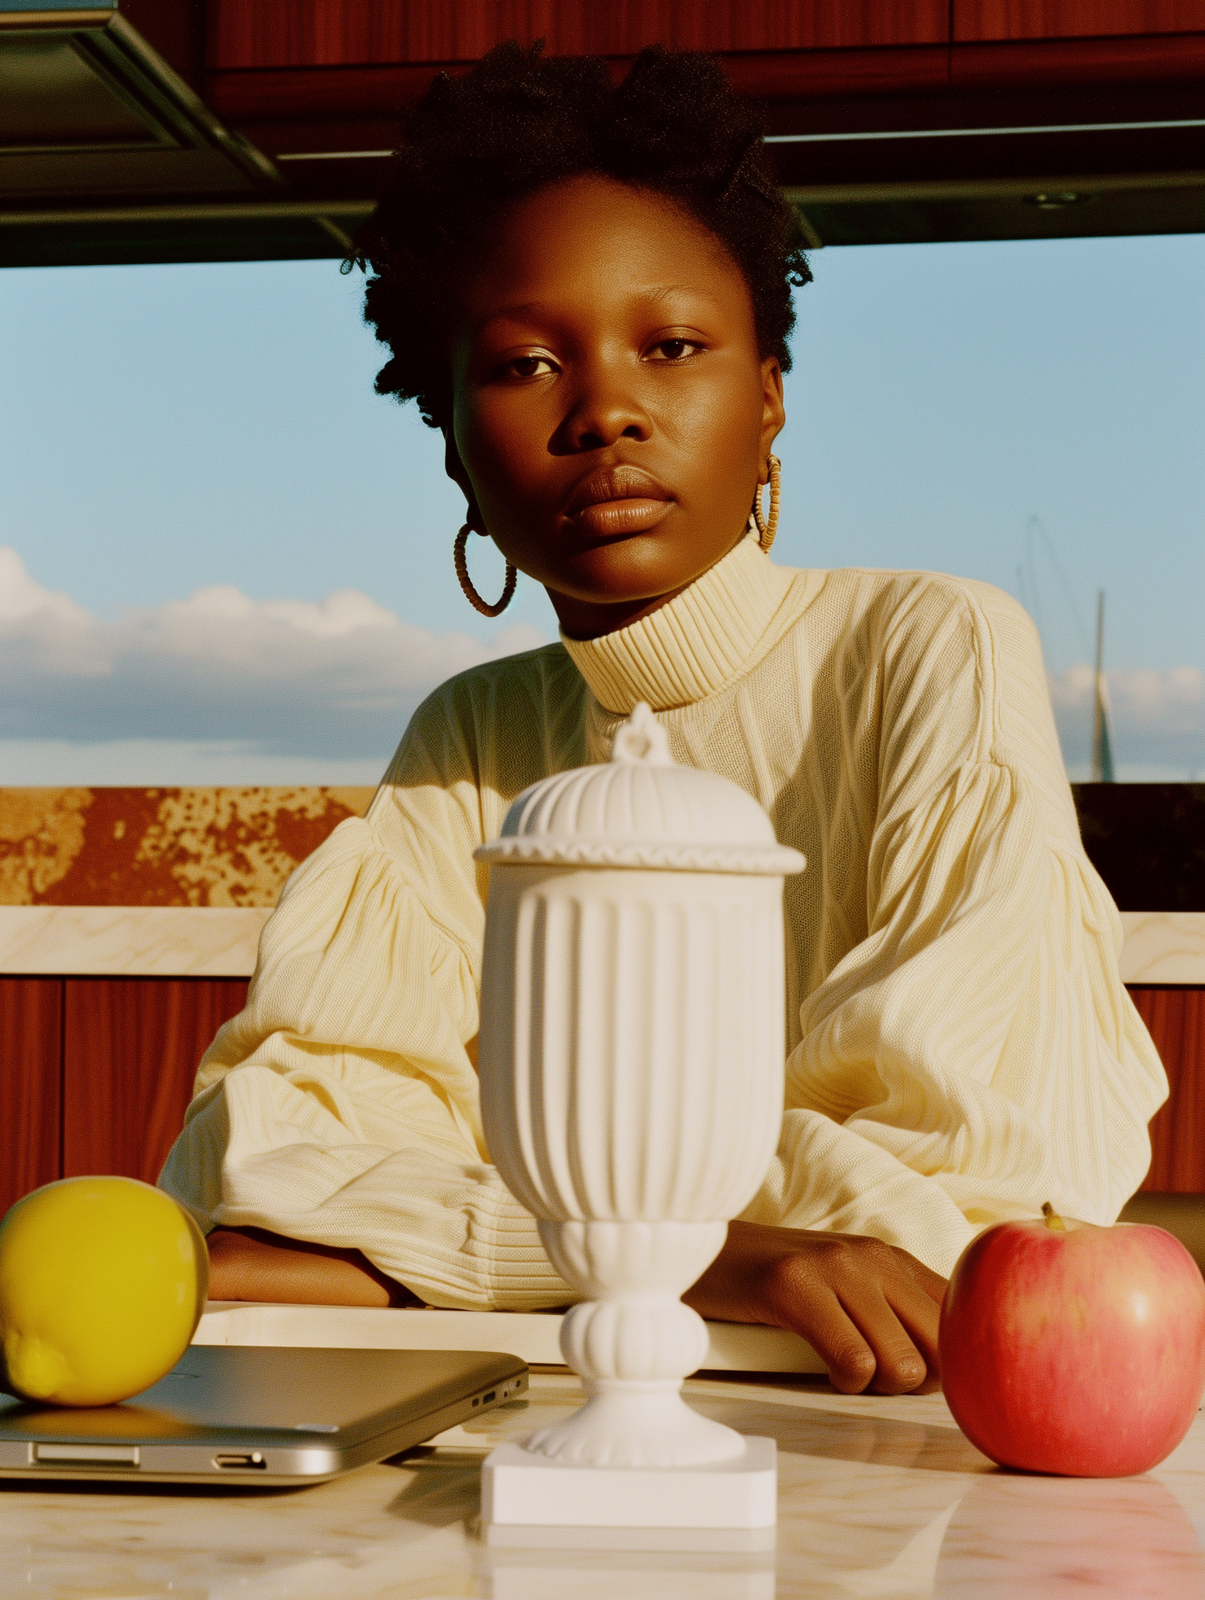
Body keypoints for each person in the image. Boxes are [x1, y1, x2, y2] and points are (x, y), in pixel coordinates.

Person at [159, 43, 1166, 1397]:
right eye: (523, 364)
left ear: (767, 402)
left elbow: (962, 1200)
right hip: (526, 1417)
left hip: (852, 1437)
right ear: (454, 444)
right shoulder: (471, 738)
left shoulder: (928, 642)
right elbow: (267, 1165)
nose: (608, 412)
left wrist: (443, 1241)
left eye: (675, 346)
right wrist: (734, 1255)